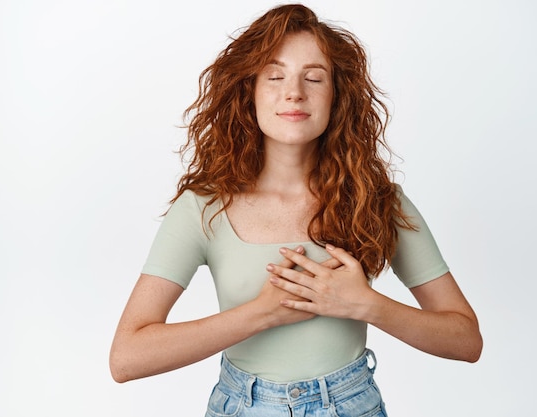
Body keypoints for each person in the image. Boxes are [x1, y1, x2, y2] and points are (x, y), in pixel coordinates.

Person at [109, 4, 482, 416]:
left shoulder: (378, 199)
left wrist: (366, 305)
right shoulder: (203, 208)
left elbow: (465, 340)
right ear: (247, 91)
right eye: (274, 76)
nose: (294, 92)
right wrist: (261, 313)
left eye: (314, 77)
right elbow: (127, 358)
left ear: (337, 94)